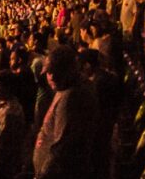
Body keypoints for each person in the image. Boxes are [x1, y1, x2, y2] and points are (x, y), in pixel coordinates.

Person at [33, 45, 98, 179]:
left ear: (70, 70)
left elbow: (61, 148)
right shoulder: (65, 87)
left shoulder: (71, 98)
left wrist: (43, 174)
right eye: (49, 72)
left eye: (55, 72)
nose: (51, 77)